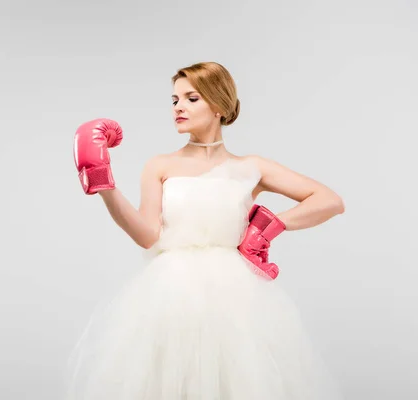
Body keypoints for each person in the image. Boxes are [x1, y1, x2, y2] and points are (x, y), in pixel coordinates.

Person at [66, 61, 345, 399]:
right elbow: (146, 235)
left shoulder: (251, 167)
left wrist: (272, 227)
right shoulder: (160, 165)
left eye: (191, 98)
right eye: (174, 100)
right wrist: (103, 184)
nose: (178, 107)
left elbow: (329, 200)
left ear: (219, 105)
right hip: (170, 293)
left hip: (237, 294)